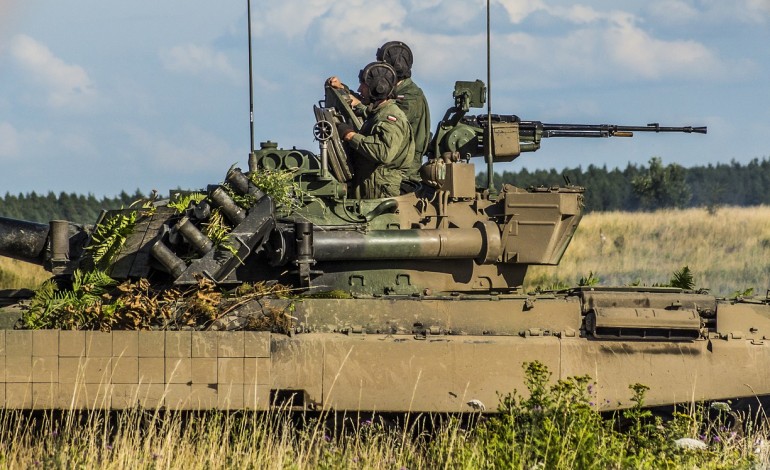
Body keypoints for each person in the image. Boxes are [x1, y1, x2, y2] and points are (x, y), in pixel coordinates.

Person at [327, 41, 430, 181]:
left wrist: (352, 131)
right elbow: (371, 101)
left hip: (399, 171)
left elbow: (383, 118)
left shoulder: (410, 98)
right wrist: (342, 90)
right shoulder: (391, 94)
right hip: (384, 169)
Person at [336, 62, 415, 199]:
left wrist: (350, 136)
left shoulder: (391, 117)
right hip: (372, 185)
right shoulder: (379, 113)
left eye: (364, 86)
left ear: (378, 88)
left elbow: (383, 153)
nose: (360, 89)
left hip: (380, 191)